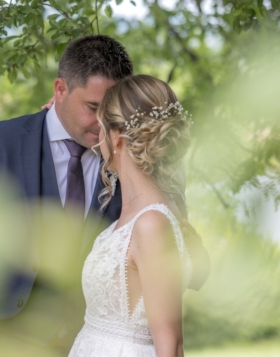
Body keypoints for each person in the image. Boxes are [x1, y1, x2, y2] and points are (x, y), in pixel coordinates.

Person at [0, 36, 208, 357]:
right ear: (60, 90)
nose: (102, 124)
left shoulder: (132, 162)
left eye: (110, 112)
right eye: (93, 107)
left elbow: (194, 269)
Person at [68, 74, 193, 357]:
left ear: (115, 136)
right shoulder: (127, 217)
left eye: (100, 127)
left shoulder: (152, 224)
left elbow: (171, 345)